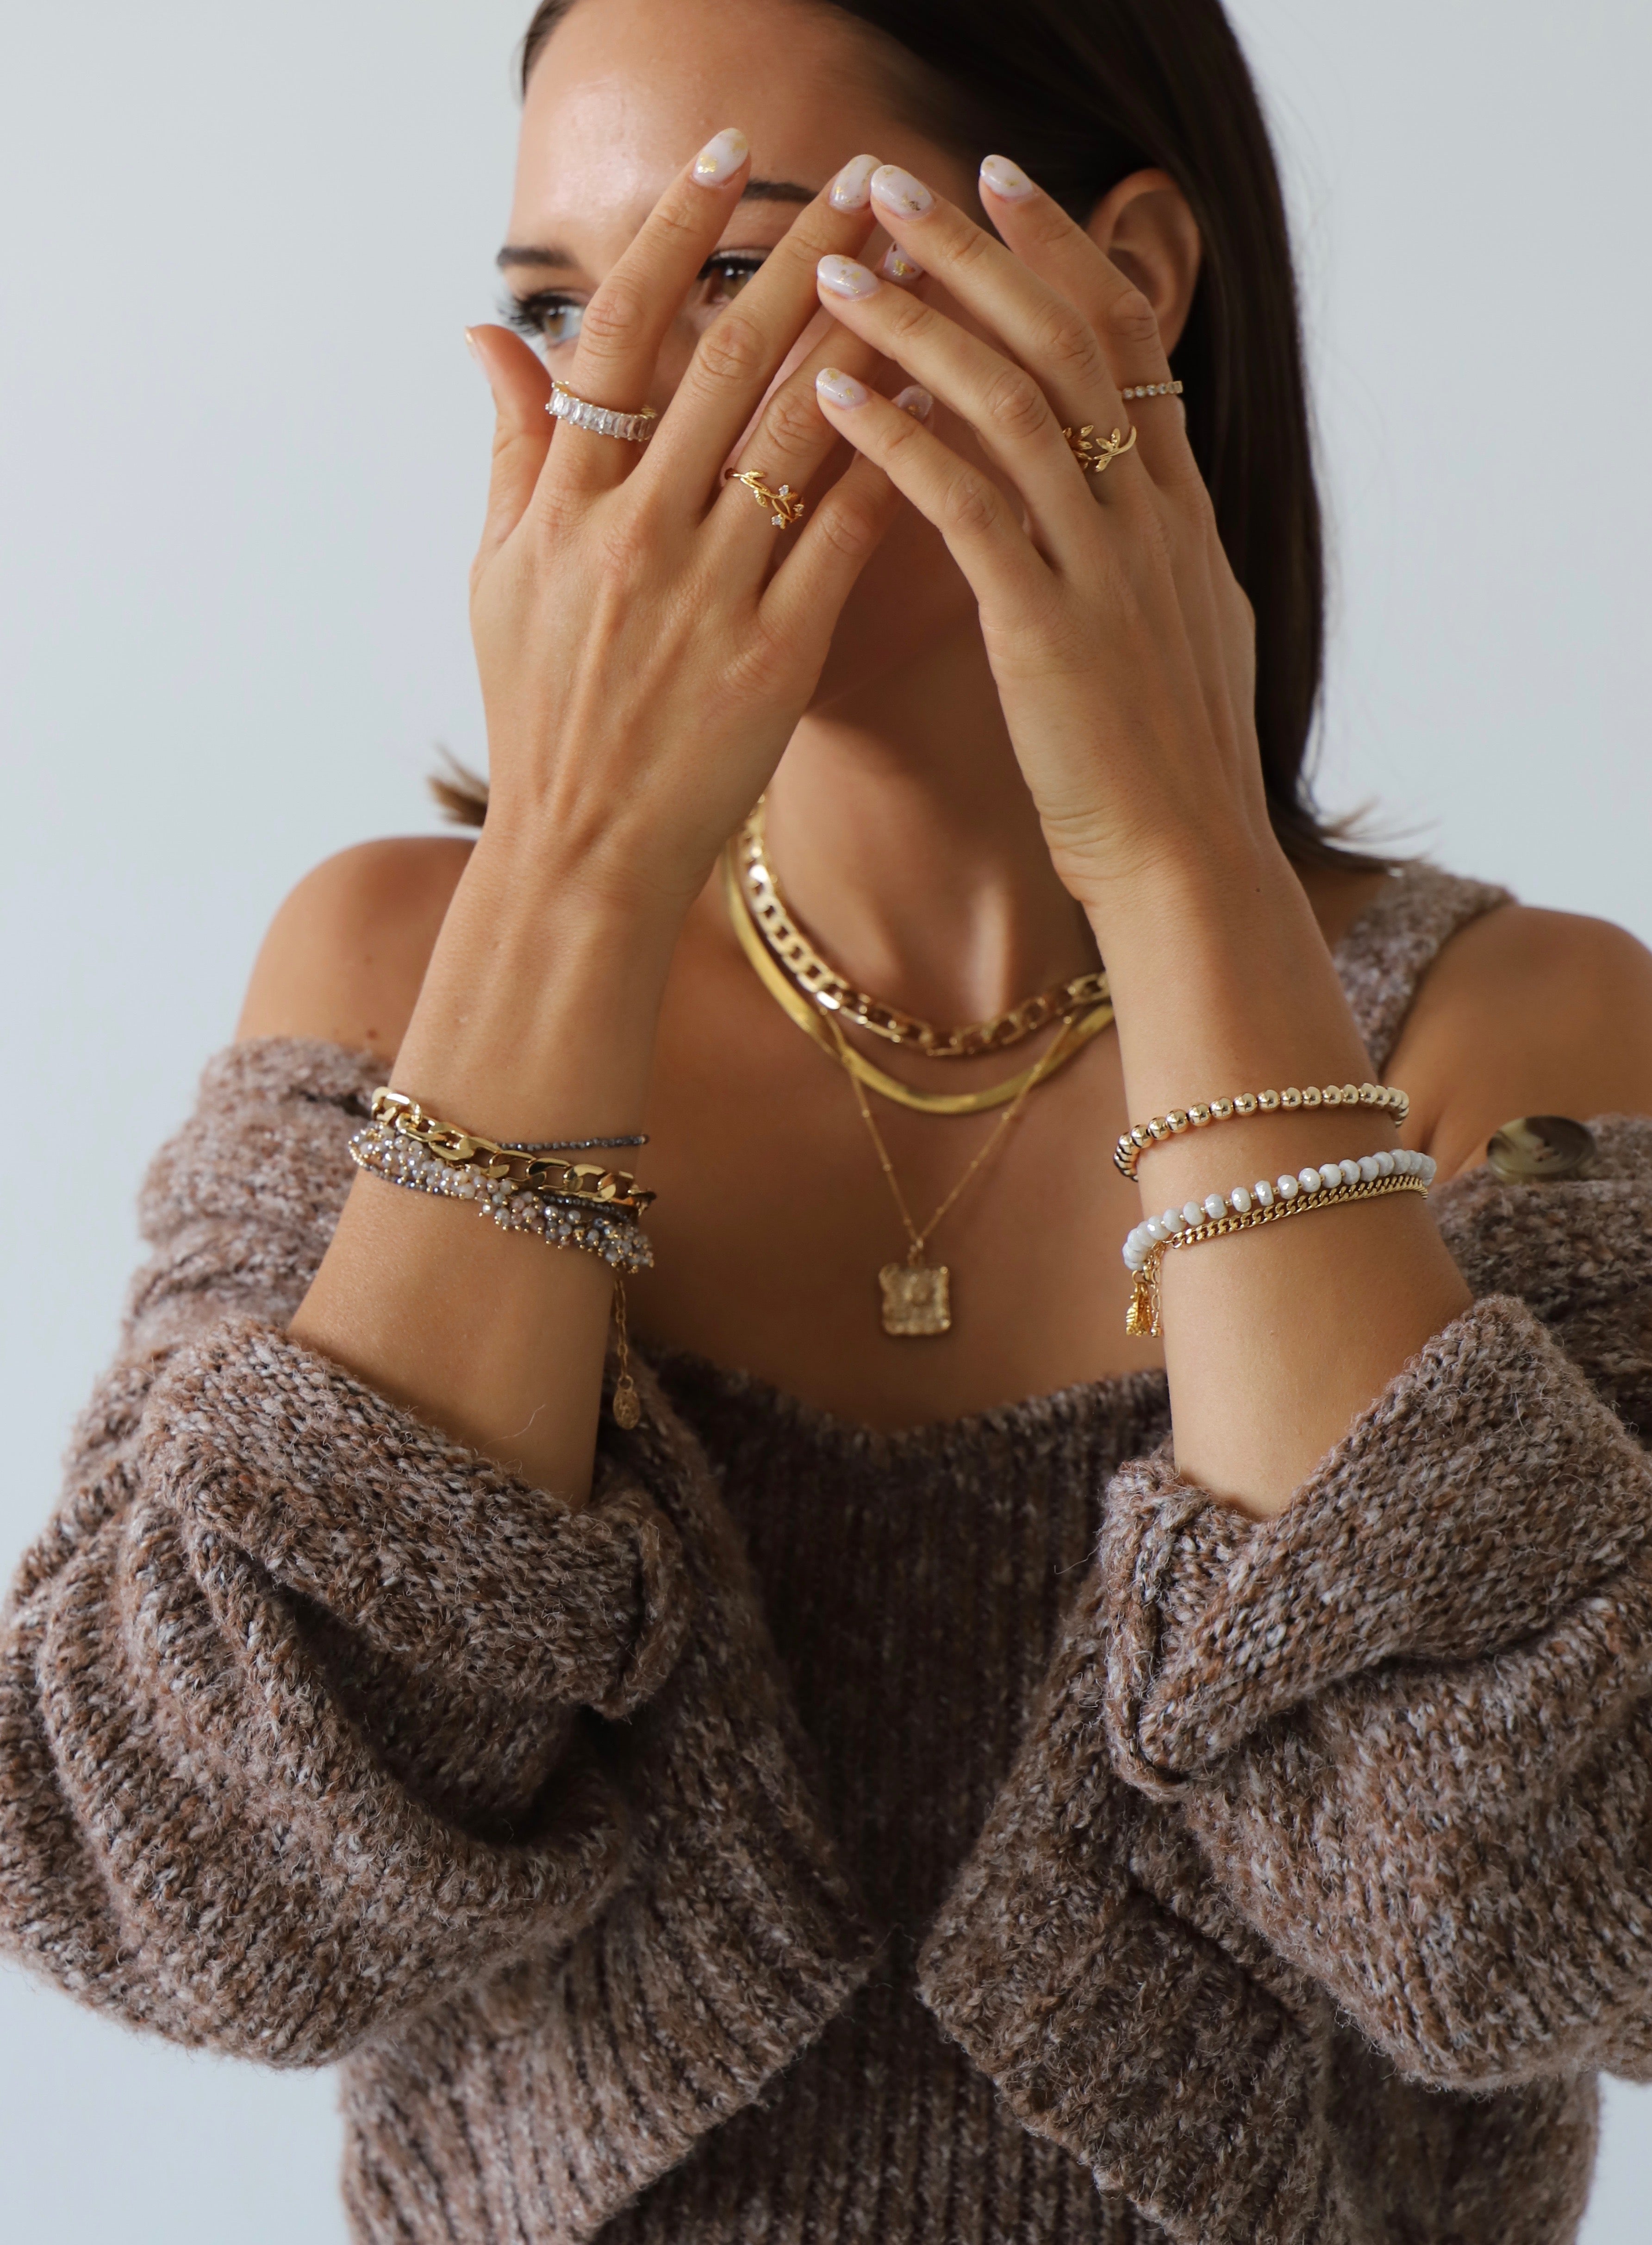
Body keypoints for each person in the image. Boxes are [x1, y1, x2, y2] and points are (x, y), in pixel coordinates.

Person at [5, 0, 1652, 2237]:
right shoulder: (390, 987)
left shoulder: (1529, 1040)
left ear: (1120, 282)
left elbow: (1553, 1903)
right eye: (556, 307)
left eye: (742, 270)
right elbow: (190, 1893)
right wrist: (574, 873)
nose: (612, 406)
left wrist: (1176, 863)